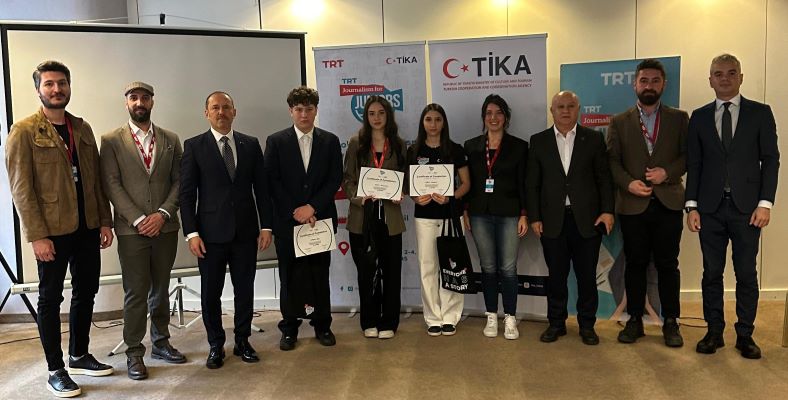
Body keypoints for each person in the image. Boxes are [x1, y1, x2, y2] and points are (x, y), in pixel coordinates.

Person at [5, 60, 114, 398]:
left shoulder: (82, 128)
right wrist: (37, 235)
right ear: (38, 89)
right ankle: (56, 369)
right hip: (51, 231)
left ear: (69, 87)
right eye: (49, 84)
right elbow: (21, 189)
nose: (57, 89)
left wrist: (105, 220)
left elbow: (95, 179)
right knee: (50, 298)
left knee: (86, 291)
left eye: (62, 83)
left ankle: (79, 355)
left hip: (87, 226)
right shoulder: (24, 131)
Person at [686, 54, 780, 359]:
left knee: (746, 273)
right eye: (718, 74)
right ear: (710, 80)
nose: (724, 78)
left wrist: (765, 203)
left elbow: (771, 160)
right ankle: (714, 332)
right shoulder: (699, 117)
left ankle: (745, 334)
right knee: (711, 272)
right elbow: (694, 164)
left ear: (741, 77)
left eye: (730, 73)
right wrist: (691, 206)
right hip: (709, 209)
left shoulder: (760, 113)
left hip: (748, 209)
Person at [99, 81, 186, 380]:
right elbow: (111, 184)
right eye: (134, 98)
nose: (139, 102)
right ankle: (134, 352)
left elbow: (180, 181)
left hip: (165, 227)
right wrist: (138, 219)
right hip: (130, 230)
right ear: (126, 103)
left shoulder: (171, 139)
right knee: (135, 292)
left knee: (161, 289)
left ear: (152, 102)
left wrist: (162, 214)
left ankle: (161, 343)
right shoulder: (111, 140)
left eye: (145, 98)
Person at [179, 91, 272, 369]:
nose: (221, 112)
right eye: (215, 108)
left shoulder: (250, 144)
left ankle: (243, 341)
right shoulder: (194, 146)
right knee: (211, 294)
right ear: (206, 113)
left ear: (234, 111)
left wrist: (266, 226)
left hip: (245, 232)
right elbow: (187, 194)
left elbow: (262, 190)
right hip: (209, 236)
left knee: (245, 290)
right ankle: (215, 345)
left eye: (226, 107)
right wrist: (191, 233)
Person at [606, 59, 689, 347]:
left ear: (663, 84)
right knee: (635, 264)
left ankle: (671, 321)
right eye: (644, 81)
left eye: (655, 80)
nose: (649, 86)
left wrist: (668, 172)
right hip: (633, 204)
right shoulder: (619, 121)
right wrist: (628, 183)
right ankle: (634, 320)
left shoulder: (679, 119)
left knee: (668, 265)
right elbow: (612, 161)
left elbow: (688, 156)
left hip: (668, 203)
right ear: (635, 85)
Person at [526, 91, 614, 345]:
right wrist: (534, 217)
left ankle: (587, 325)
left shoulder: (593, 139)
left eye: (571, 106)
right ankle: (556, 323)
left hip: (587, 221)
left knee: (587, 277)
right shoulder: (539, 141)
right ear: (552, 111)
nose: (565, 111)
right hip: (552, 221)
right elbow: (532, 184)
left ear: (578, 109)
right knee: (557, 277)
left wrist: (608, 210)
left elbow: (604, 179)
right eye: (560, 106)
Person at [264, 86, 343, 350]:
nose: (304, 114)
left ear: (316, 110)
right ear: (291, 111)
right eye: (299, 109)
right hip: (288, 223)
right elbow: (272, 181)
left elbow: (334, 178)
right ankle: (289, 328)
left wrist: (312, 207)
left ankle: (323, 325)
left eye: (309, 109)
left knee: (320, 275)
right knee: (289, 277)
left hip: (320, 220)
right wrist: (296, 210)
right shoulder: (276, 141)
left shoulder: (330, 141)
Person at [463, 94, 528, 340]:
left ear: (506, 117)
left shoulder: (519, 147)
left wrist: (524, 214)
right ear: (483, 117)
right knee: (488, 268)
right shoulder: (471, 146)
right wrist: (465, 211)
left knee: (508, 268)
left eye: (499, 113)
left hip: (510, 214)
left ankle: (510, 317)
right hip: (479, 214)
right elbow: (467, 183)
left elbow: (523, 184)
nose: (494, 118)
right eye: (489, 113)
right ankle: (491, 315)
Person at [343, 95, 407, 340]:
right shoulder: (356, 143)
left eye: (381, 113)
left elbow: (406, 178)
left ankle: (389, 321)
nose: (377, 118)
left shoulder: (398, 144)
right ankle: (369, 320)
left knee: (391, 272)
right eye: (372, 113)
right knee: (366, 272)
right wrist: (359, 197)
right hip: (362, 218)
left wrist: (401, 193)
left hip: (390, 218)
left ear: (388, 115)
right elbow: (347, 179)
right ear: (366, 116)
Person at [406, 103, 471, 336]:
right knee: (428, 267)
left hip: (450, 216)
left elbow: (466, 184)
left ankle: (450, 316)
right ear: (422, 123)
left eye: (437, 119)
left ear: (444, 123)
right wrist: (416, 198)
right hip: (424, 218)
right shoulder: (413, 151)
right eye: (428, 120)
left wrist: (450, 197)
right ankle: (432, 317)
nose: (433, 124)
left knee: (451, 265)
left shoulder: (455, 149)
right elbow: (409, 186)